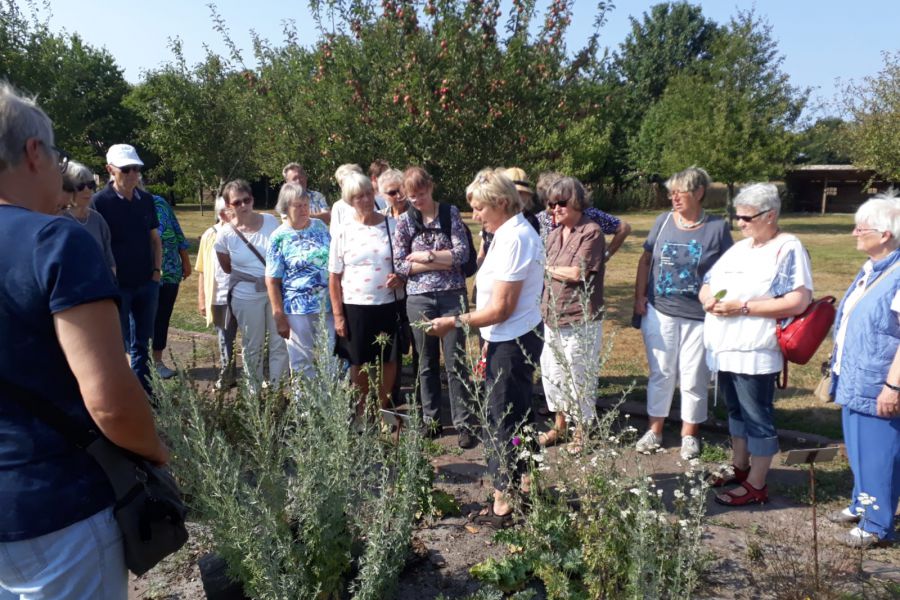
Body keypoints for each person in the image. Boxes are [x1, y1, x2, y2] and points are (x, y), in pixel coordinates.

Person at [0, 83, 168, 598]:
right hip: (58, 510)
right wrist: (159, 456)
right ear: (33, 153)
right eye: (55, 154)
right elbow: (111, 401)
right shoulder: (54, 240)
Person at [429, 168, 544, 526]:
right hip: (506, 336)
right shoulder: (506, 233)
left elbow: (501, 308)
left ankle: (504, 492)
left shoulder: (515, 239)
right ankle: (524, 479)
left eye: (479, 208)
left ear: (500, 203)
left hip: (512, 338)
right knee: (518, 413)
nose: (475, 215)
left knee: (504, 417)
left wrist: (455, 322)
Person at [699, 183, 812, 507]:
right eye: (737, 216)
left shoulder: (788, 247)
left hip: (754, 349)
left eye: (747, 217)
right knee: (735, 411)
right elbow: (708, 282)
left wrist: (743, 307)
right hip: (725, 348)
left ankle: (757, 483)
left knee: (757, 415)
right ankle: (740, 465)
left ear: (770, 215)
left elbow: (797, 300)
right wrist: (708, 299)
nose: (740, 223)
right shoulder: (741, 248)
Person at [633, 167, 733, 459]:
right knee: (661, 373)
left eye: (680, 192)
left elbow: (730, 268)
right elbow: (645, 259)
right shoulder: (663, 221)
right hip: (660, 310)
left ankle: (689, 434)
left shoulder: (717, 227)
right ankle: (655, 430)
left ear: (699, 193)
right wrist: (639, 296)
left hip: (699, 315)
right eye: (671, 192)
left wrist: (719, 299)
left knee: (693, 377)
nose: (673, 198)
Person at [825, 195, 900, 548]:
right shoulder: (874, 268)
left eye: (861, 227)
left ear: (885, 234)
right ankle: (861, 503)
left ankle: (877, 524)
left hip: (878, 383)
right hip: (854, 377)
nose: (854, 232)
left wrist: (893, 386)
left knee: (879, 454)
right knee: (858, 449)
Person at [393, 166, 475, 448]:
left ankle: (463, 422)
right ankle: (432, 419)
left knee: (456, 361)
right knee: (425, 362)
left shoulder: (450, 213)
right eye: (412, 196)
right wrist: (442, 259)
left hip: (453, 295)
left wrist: (426, 256)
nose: (417, 200)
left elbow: (462, 254)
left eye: (422, 194)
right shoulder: (404, 221)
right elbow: (400, 264)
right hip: (419, 299)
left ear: (431, 187)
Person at [329, 172, 404, 420]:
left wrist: (400, 277)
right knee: (358, 360)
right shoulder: (343, 231)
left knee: (389, 359)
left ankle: (382, 409)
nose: (364, 200)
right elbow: (334, 277)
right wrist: (338, 315)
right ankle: (362, 410)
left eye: (368, 194)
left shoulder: (392, 226)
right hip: (355, 306)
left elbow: (404, 264)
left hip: (388, 304)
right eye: (358, 196)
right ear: (350, 200)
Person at [539, 177, 606, 454]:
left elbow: (579, 273)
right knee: (553, 374)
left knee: (579, 376)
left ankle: (582, 431)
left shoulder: (591, 232)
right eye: (551, 203)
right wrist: (552, 268)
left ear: (577, 202)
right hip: (551, 316)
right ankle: (560, 425)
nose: (555, 208)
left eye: (561, 203)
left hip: (581, 318)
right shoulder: (554, 235)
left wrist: (547, 267)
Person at [92, 143, 162, 394]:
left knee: (143, 342)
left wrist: (156, 272)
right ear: (110, 169)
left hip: (146, 281)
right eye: (126, 169)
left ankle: (144, 392)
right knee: (117, 343)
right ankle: (121, 392)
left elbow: (155, 239)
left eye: (136, 169)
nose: (133, 174)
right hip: (118, 286)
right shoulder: (99, 202)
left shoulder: (146, 200)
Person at [215, 180, 288, 390]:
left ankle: (276, 391)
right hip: (246, 295)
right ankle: (253, 394)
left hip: (275, 291)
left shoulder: (270, 221)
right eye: (237, 202)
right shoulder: (225, 234)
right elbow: (227, 267)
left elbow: (281, 252)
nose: (244, 205)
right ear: (229, 206)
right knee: (252, 345)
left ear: (252, 199)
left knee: (279, 343)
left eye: (247, 200)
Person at [266, 183, 333, 380]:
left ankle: (331, 405)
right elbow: (272, 279)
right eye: (298, 206)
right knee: (301, 361)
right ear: (286, 209)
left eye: (306, 204)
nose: (305, 210)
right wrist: (278, 315)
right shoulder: (279, 237)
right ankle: (305, 408)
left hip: (327, 305)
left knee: (331, 357)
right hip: (297, 309)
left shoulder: (320, 226)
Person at [536, 170, 632, 262]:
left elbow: (624, 228)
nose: (555, 207)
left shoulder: (588, 214)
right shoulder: (539, 219)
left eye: (560, 201)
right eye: (550, 202)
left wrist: (607, 255)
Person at [196, 197, 238, 389]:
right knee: (224, 337)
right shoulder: (209, 235)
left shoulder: (244, 232)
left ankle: (258, 375)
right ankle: (227, 375)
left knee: (252, 337)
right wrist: (202, 299)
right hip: (220, 296)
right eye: (228, 210)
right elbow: (202, 270)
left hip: (245, 295)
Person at [151, 193, 191, 379]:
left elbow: (176, 231)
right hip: (142, 275)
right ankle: (140, 363)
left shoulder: (159, 202)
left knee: (162, 317)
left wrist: (185, 261)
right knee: (140, 320)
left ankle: (158, 362)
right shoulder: (121, 207)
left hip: (169, 271)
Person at [60, 160, 115, 275]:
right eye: (80, 186)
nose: (87, 190)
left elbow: (109, 260)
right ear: (67, 188)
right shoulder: (59, 220)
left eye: (90, 185)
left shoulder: (97, 219)